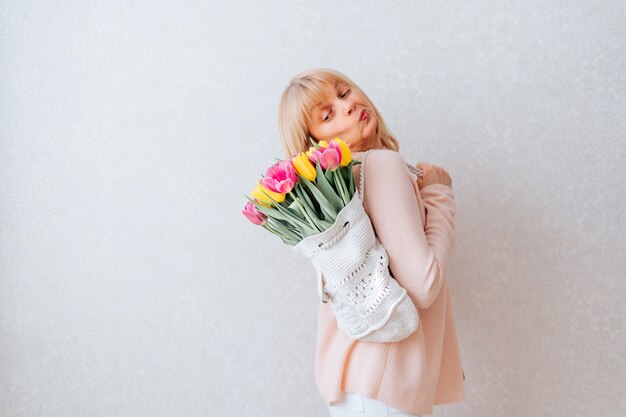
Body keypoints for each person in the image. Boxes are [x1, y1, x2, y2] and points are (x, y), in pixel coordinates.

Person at [278, 68, 466, 417]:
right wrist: (438, 196)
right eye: (327, 115)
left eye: (344, 92)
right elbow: (425, 286)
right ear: (313, 143)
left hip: (361, 384)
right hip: (383, 385)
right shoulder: (380, 165)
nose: (347, 107)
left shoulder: (341, 189)